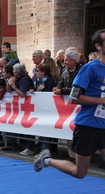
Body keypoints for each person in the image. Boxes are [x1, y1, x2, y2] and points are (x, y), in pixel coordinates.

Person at [34, 29, 105, 179]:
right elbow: (74, 98)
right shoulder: (90, 68)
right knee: (79, 172)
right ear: (99, 46)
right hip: (89, 124)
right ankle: (47, 160)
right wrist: (101, 100)